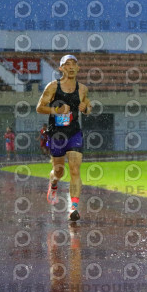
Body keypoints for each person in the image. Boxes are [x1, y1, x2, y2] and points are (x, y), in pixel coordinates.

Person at [36, 54, 91, 221]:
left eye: (74, 63)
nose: (71, 66)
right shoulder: (53, 87)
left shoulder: (82, 89)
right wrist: (56, 111)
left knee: (75, 169)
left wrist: (85, 108)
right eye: (67, 64)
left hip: (74, 133)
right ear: (61, 68)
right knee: (59, 171)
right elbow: (39, 107)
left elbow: (88, 107)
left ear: (78, 68)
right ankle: (53, 183)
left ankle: (74, 208)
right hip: (56, 134)